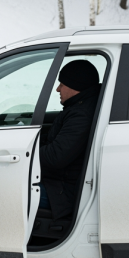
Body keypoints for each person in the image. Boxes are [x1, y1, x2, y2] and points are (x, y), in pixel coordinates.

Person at [38, 59, 101, 229]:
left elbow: (56, 156)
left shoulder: (81, 115)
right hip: (59, 184)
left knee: (6, 192)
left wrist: (26, 155)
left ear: (75, 85)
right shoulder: (80, 108)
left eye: (62, 84)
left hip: (61, 193)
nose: (58, 89)